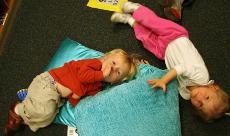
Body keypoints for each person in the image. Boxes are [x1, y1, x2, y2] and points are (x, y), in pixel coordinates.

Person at [110, 2, 230, 121]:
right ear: (213, 87)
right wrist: (164, 80)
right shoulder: (202, 77)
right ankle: (136, 9)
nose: (199, 99)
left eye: (200, 106)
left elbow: (171, 81)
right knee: (152, 22)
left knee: (146, 39)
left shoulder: (186, 95)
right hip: (176, 36)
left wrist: (151, 71)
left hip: (165, 52)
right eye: (207, 98)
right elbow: (180, 69)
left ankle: (129, 20)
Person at [4, 49, 138, 135]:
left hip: (57, 96)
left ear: (115, 82)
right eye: (113, 63)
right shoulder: (93, 64)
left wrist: (84, 103)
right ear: (105, 57)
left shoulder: (97, 85)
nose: (113, 69)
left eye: (118, 72)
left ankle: (28, 107)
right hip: (48, 83)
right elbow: (82, 77)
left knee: (48, 117)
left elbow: (82, 97)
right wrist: (102, 75)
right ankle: (17, 108)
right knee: (45, 110)